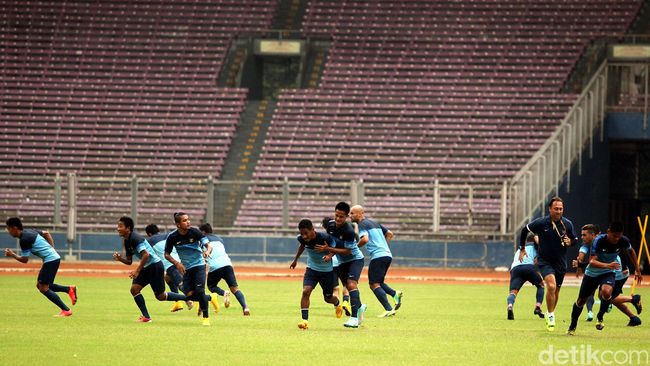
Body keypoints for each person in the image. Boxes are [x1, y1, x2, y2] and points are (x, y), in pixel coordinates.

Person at [567, 221, 643, 335]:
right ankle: (572, 326)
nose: (616, 239)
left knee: (607, 293)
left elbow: (631, 252)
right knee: (581, 301)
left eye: (619, 236)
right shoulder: (598, 241)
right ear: (608, 232)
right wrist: (580, 264)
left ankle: (600, 317)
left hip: (608, 272)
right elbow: (591, 261)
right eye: (614, 236)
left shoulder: (623, 240)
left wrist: (637, 269)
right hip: (592, 274)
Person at [113, 216, 189, 323]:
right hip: (146, 267)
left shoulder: (135, 238)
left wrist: (137, 271)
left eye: (120, 226)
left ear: (128, 228)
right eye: (118, 226)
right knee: (134, 289)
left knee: (160, 296)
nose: (118, 228)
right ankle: (146, 317)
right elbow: (129, 261)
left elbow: (146, 255)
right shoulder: (127, 241)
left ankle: (189, 297)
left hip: (155, 266)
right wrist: (120, 259)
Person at [519, 196, 577, 331]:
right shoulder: (541, 223)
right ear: (550, 209)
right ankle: (550, 315)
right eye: (556, 209)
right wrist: (522, 249)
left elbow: (574, 239)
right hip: (545, 261)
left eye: (561, 209)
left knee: (556, 291)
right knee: (551, 286)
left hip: (561, 263)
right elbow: (524, 230)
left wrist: (571, 242)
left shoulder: (567, 224)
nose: (558, 211)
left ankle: (551, 311)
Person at [4, 217, 76, 317]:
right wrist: (52, 249)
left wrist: (12, 254)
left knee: (43, 288)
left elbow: (25, 260)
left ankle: (66, 310)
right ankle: (69, 289)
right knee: (41, 285)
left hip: (50, 260)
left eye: (9, 229)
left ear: (15, 228)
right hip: (52, 259)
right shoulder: (30, 232)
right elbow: (46, 233)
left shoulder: (24, 239)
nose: (9, 232)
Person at [164, 212, 219, 326]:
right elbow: (166, 254)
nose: (188, 222)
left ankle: (206, 318)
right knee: (189, 295)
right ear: (178, 224)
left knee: (200, 291)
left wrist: (207, 251)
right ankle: (211, 297)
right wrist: (177, 263)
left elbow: (208, 245)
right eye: (184, 220)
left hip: (199, 266)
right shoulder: (172, 237)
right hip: (186, 269)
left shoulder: (195, 232)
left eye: (188, 219)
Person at [290, 219, 344, 330]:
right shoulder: (302, 239)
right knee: (306, 291)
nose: (304, 236)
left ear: (313, 230)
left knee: (328, 298)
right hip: (312, 270)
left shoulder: (325, 238)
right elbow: (302, 246)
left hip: (326, 272)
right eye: (302, 234)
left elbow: (337, 247)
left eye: (306, 233)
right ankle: (304, 321)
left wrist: (330, 255)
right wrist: (295, 260)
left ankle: (337, 303)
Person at [349, 205, 403, 318]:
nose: (350, 215)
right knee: (379, 282)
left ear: (360, 213)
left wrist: (355, 248)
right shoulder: (374, 222)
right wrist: (385, 247)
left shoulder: (362, 224)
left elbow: (364, 239)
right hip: (387, 255)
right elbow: (390, 234)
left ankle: (388, 309)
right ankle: (394, 294)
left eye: (352, 213)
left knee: (373, 284)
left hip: (378, 256)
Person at [322, 202, 368, 328]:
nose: (338, 219)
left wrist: (330, 249)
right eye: (336, 215)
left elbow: (347, 251)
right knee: (347, 285)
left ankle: (353, 318)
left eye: (341, 217)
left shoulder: (348, 230)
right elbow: (333, 243)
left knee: (352, 284)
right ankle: (360, 307)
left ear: (347, 216)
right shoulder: (331, 226)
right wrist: (330, 254)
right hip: (342, 261)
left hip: (355, 259)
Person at [199, 223, 250, 316]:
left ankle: (224, 292)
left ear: (203, 232)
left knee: (211, 286)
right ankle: (245, 307)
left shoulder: (202, 240)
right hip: (227, 264)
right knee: (235, 289)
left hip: (215, 267)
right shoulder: (219, 239)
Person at [145, 224, 193, 312]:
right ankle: (178, 303)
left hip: (170, 264)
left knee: (181, 285)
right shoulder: (167, 235)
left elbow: (148, 255)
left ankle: (199, 300)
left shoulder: (150, 240)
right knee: (168, 279)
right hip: (180, 261)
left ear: (149, 234)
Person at [507, 233, 544, 320]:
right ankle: (538, 307)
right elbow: (536, 261)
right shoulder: (535, 247)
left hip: (515, 269)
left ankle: (510, 306)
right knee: (541, 285)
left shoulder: (519, 249)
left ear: (527, 240)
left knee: (513, 292)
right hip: (529, 267)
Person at [571, 224, 599, 321]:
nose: (582, 237)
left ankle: (633, 299)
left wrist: (580, 266)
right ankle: (590, 312)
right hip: (594, 271)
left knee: (604, 294)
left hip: (609, 271)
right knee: (589, 293)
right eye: (581, 235)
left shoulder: (601, 244)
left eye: (584, 235)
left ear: (594, 235)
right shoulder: (585, 245)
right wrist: (579, 267)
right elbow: (581, 257)